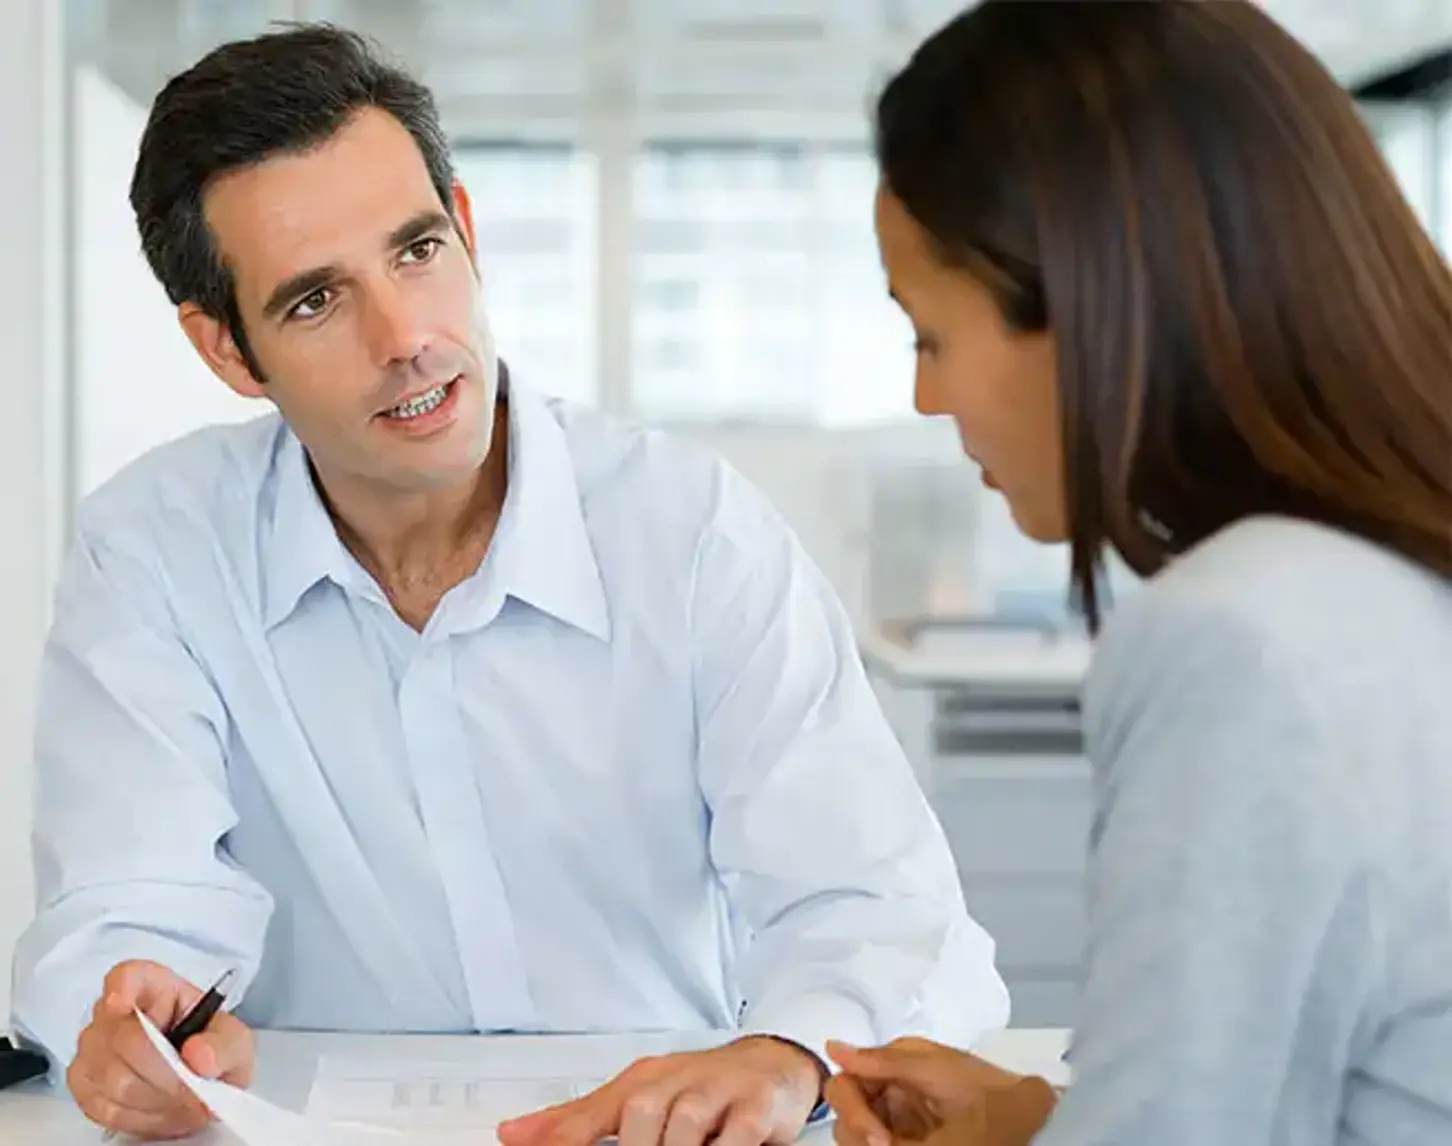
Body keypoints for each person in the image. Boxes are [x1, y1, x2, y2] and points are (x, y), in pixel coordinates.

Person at [9, 23, 1010, 1143]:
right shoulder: (153, 551)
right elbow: (124, 905)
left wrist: (786, 1057)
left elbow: (878, 907)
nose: (406, 338)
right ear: (229, 352)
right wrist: (144, 1019)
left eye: (417, 251)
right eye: (315, 302)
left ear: (469, 232)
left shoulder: (692, 534)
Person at [825, 2, 1452, 1145]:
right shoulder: (1394, 580)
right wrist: (1042, 1125)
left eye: (930, 335)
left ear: (1082, 303)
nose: (929, 399)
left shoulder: (1244, 633)